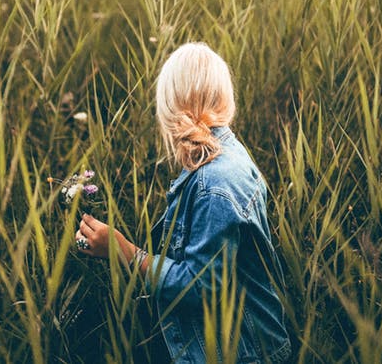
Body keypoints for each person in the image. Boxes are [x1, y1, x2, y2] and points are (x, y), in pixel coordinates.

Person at [75, 42, 292, 363]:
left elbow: (199, 287)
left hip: (243, 354)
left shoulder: (213, 183)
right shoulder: (229, 157)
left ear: (171, 108)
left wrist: (122, 250)